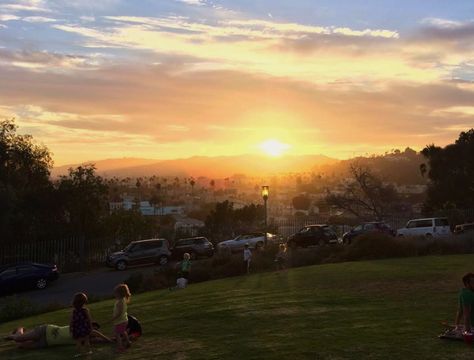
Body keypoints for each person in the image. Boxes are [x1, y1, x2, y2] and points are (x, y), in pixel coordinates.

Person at [4, 323, 111, 349]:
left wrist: (117, 339)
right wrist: (107, 339)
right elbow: (96, 334)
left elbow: (99, 339)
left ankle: (19, 332)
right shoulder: (78, 327)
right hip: (45, 331)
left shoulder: (85, 340)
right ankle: (18, 330)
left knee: (20, 346)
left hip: (46, 343)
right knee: (17, 339)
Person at [70, 292, 93, 357]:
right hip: (84, 327)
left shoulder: (73, 311)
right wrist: (91, 327)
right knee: (86, 340)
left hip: (76, 328)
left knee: (78, 341)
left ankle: (80, 353)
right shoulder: (85, 310)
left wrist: (70, 328)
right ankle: (88, 351)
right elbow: (89, 319)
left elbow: (71, 321)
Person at [110, 283, 131, 353]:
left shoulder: (120, 302)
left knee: (117, 334)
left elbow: (119, 313)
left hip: (120, 321)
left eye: (116, 293)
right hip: (124, 320)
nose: (114, 294)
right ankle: (128, 342)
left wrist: (113, 318)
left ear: (120, 293)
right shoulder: (122, 300)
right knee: (123, 332)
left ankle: (120, 347)